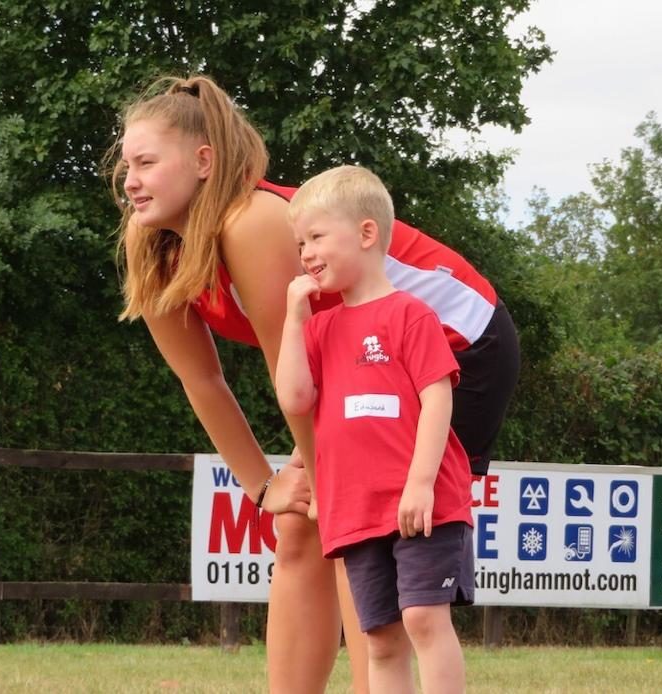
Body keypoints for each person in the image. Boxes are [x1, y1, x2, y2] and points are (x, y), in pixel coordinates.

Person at [109, 74, 519, 694]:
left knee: (359, 521)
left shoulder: (249, 222)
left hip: (458, 340)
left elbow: (294, 377)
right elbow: (202, 380)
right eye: (124, 165)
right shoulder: (153, 248)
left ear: (202, 162)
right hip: (355, 364)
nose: (128, 179)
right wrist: (264, 487)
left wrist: (330, 490)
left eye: (145, 162)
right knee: (300, 520)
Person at [276, 165, 474, 694]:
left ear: (366, 234)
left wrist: (420, 483)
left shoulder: (411, 314)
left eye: (317, 237)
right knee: (380, 639)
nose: (307, 253)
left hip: (422, 501)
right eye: (300, 244)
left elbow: (438, 397)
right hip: (356, 509)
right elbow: (294, 398)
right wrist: (293, 321)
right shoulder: (318, 328)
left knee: (424, 621)